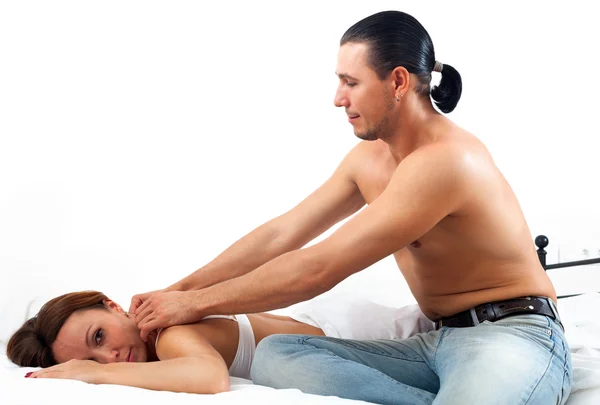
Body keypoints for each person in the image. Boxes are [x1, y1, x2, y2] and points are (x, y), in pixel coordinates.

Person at [129, 10, 572, 404]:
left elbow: (316, 268)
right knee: (278, 356)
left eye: (351, 82)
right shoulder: (370, 160)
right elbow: (283, 235)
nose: (338, 98)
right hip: (440, 342)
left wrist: (194, 304)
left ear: (398, 82)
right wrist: (179, 294)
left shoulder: (447, 161)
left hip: (515, 338)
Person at [6, 289, 433, 394]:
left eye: (98, 336)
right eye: (95, 359)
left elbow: (210, 377)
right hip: (325, 329)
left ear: (113, 305)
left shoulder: (169, 333)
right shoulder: (157, 350)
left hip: (354, 331)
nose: (110, 356)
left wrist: (89, 374)